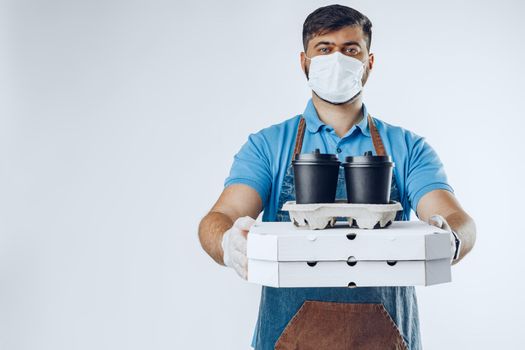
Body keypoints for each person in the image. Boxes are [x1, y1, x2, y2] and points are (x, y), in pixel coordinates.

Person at [198, 4, 476, 350]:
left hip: (386, 340)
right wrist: (228, 243)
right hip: (287, 340)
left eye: (351, 50)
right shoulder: (268, 146)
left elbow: (456, 219)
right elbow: (218, 218)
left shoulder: (407, 147)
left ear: (368, 63)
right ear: (305, 63)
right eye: (325, 49)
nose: (337, 59)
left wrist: (451, 239)